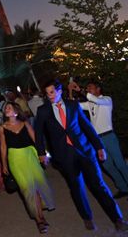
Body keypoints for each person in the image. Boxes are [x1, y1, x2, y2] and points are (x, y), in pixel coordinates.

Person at [34, 80, 127, 231]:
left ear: (59, 91)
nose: (49, 96)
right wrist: (41, 153)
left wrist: (99, 147)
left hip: (85, 152)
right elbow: (38, 133)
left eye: (51, 92)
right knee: (76, 188)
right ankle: (87, 217)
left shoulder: (73, 105)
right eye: (47, 93)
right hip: (64, 156)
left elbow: (87, 127)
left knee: (98, 185)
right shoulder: (43, 110)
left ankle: (117, 219)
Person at [0, 102, 55, 234]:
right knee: (27, 188)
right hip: (15, 160)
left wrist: (44, 153)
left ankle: (40, 215)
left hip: (30, 156)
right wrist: (4, 164)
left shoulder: (25, 124)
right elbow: (3, 147)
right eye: (6, 108)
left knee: (38, 185)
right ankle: (39, 220)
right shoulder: (2, 128)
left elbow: (36, 139)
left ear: (16, 112)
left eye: (9, 108)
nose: (6, 109)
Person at [69, 80, 128, 199]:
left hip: (109, 137)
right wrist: (70, 90)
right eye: (87, 88)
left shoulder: (106, 100)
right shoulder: (90, 103)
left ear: (98, 89)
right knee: (108, 166)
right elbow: (74, 105)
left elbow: (95, 100)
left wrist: (79, 90)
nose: (88, 89)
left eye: (90, 87)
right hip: (98, 141)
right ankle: (123, 188)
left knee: (120, 164)